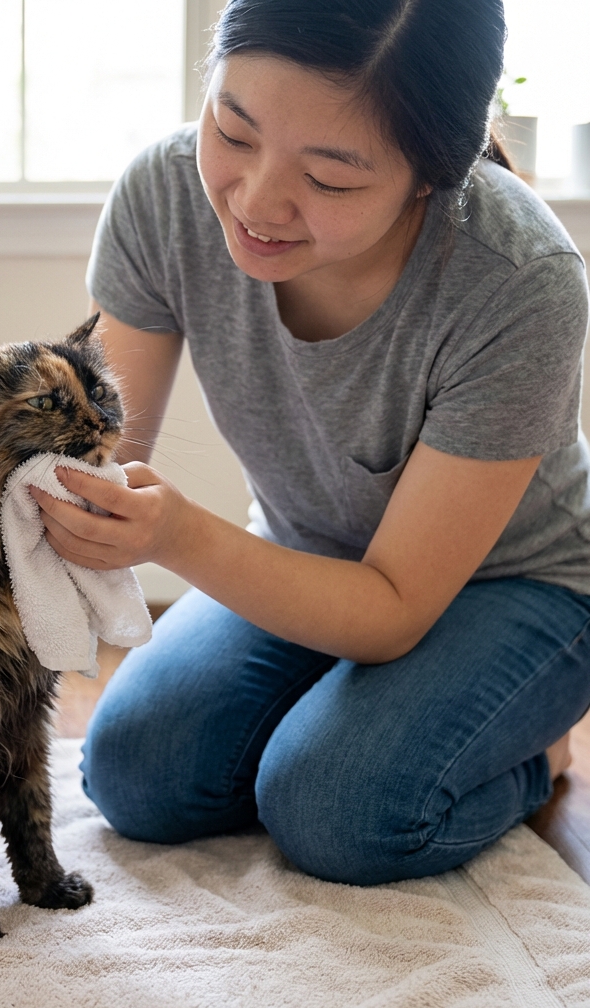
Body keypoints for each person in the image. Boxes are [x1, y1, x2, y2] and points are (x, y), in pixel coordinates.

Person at [30, 0, 590, 885]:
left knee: (337, 811)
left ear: (429, 175)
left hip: (523, 589)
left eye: (330, 180)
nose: (256, 202)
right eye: (233, 130)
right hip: (309, 549)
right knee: (136, 773)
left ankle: (535, 752)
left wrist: (174, 534)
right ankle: (356, 714)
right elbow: (94, 449)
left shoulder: (521, 285)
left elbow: (395, 604)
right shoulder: (164, 194)